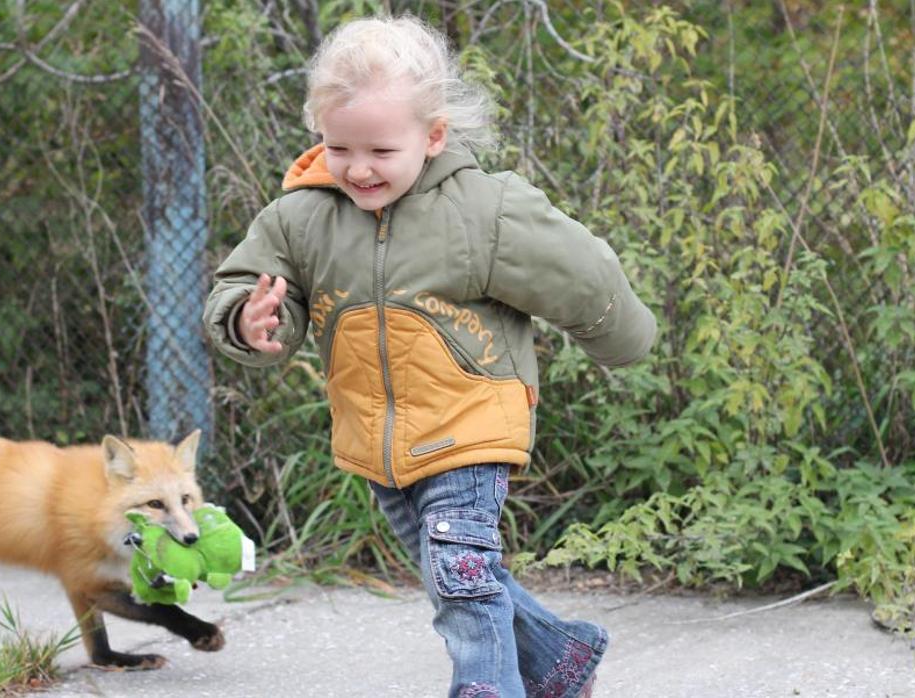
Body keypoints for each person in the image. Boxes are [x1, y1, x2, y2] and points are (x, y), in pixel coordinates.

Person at [203, 14, 655, 698]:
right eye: (338, 147)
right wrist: (250, 319)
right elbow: (248, 284)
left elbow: (582, 275)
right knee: (458, 568)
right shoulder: (301, 218)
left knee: (459, 579)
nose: (358, 168)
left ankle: (487, 687)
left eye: (381, 151)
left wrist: (625, 342)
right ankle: (563, 658)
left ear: (434, 135)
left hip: (470, 422)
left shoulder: (483, 211)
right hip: (379, 440)